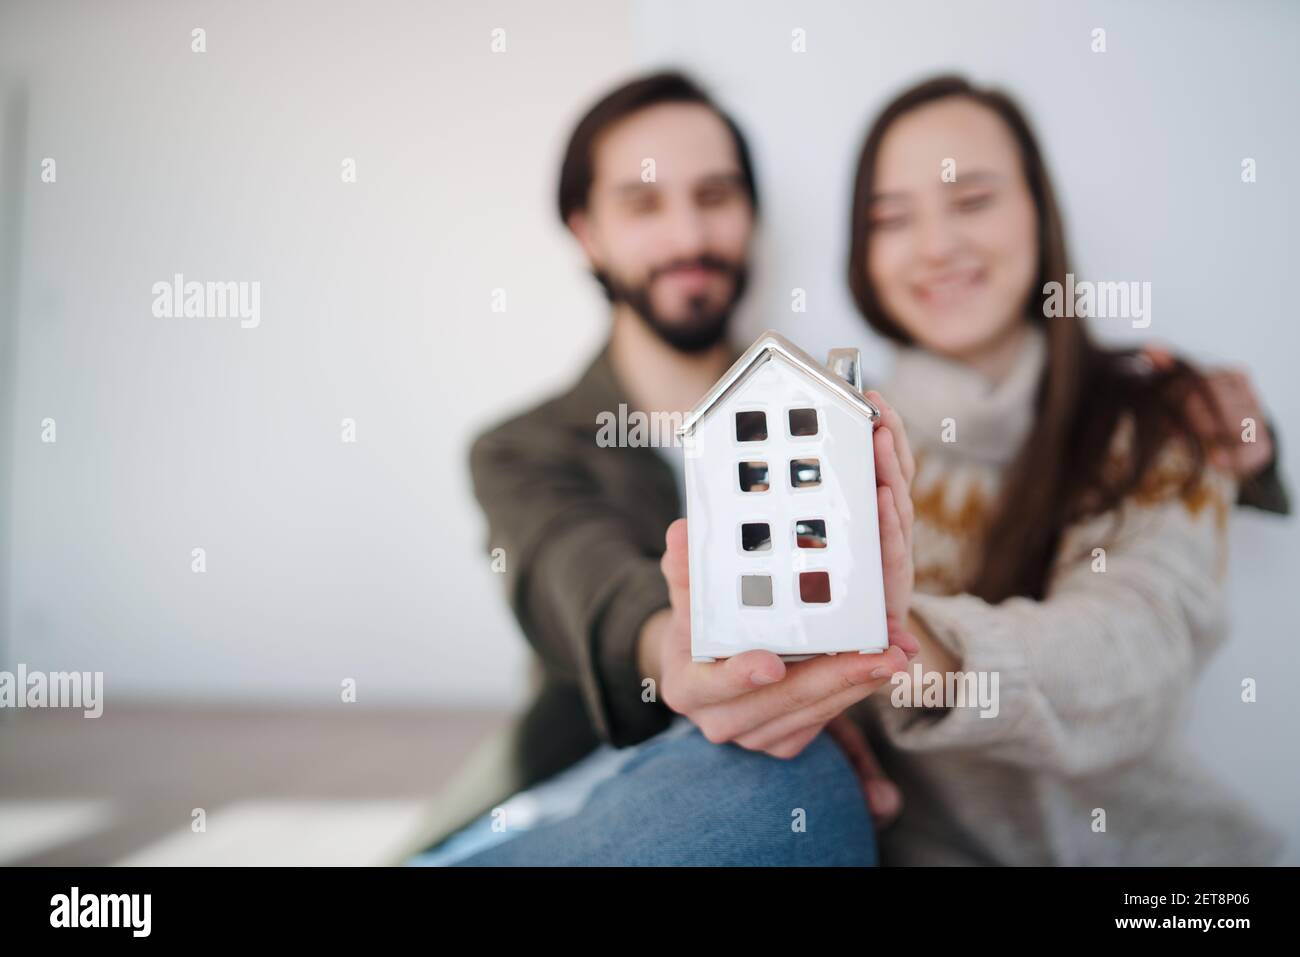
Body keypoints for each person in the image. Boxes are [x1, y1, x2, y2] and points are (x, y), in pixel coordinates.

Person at [407, 71, 1286, 866]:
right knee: (778, 789)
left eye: (972, 199)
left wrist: (890, 634)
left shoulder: (881, 421)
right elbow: (579, 575)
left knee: (786, 789)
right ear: (586, 232)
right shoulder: (536, 446)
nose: (936, 245)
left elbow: (1134, 646)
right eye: (893, 218)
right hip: (660, 793)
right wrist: (678, 643)